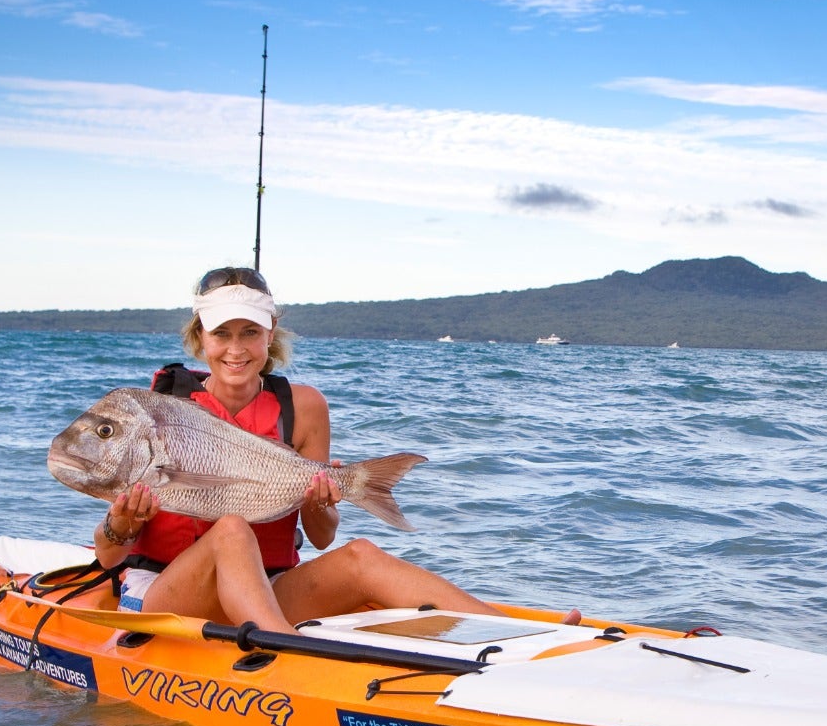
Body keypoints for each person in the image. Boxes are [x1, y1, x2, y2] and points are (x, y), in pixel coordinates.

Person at [89, 265, 515, 631]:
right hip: (170, 599)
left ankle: (519, 634)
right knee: (232, 530)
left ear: (270, 334)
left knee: (361, 555)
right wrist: (122, 524)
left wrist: (320, 501)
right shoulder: (162, 412)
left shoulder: (303, 407)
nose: (236, 349)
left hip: (268, 590)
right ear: (200, 337)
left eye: (250, 332)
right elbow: (109, 557)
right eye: (222, 333)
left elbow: (322, 537)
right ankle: (283, 651)